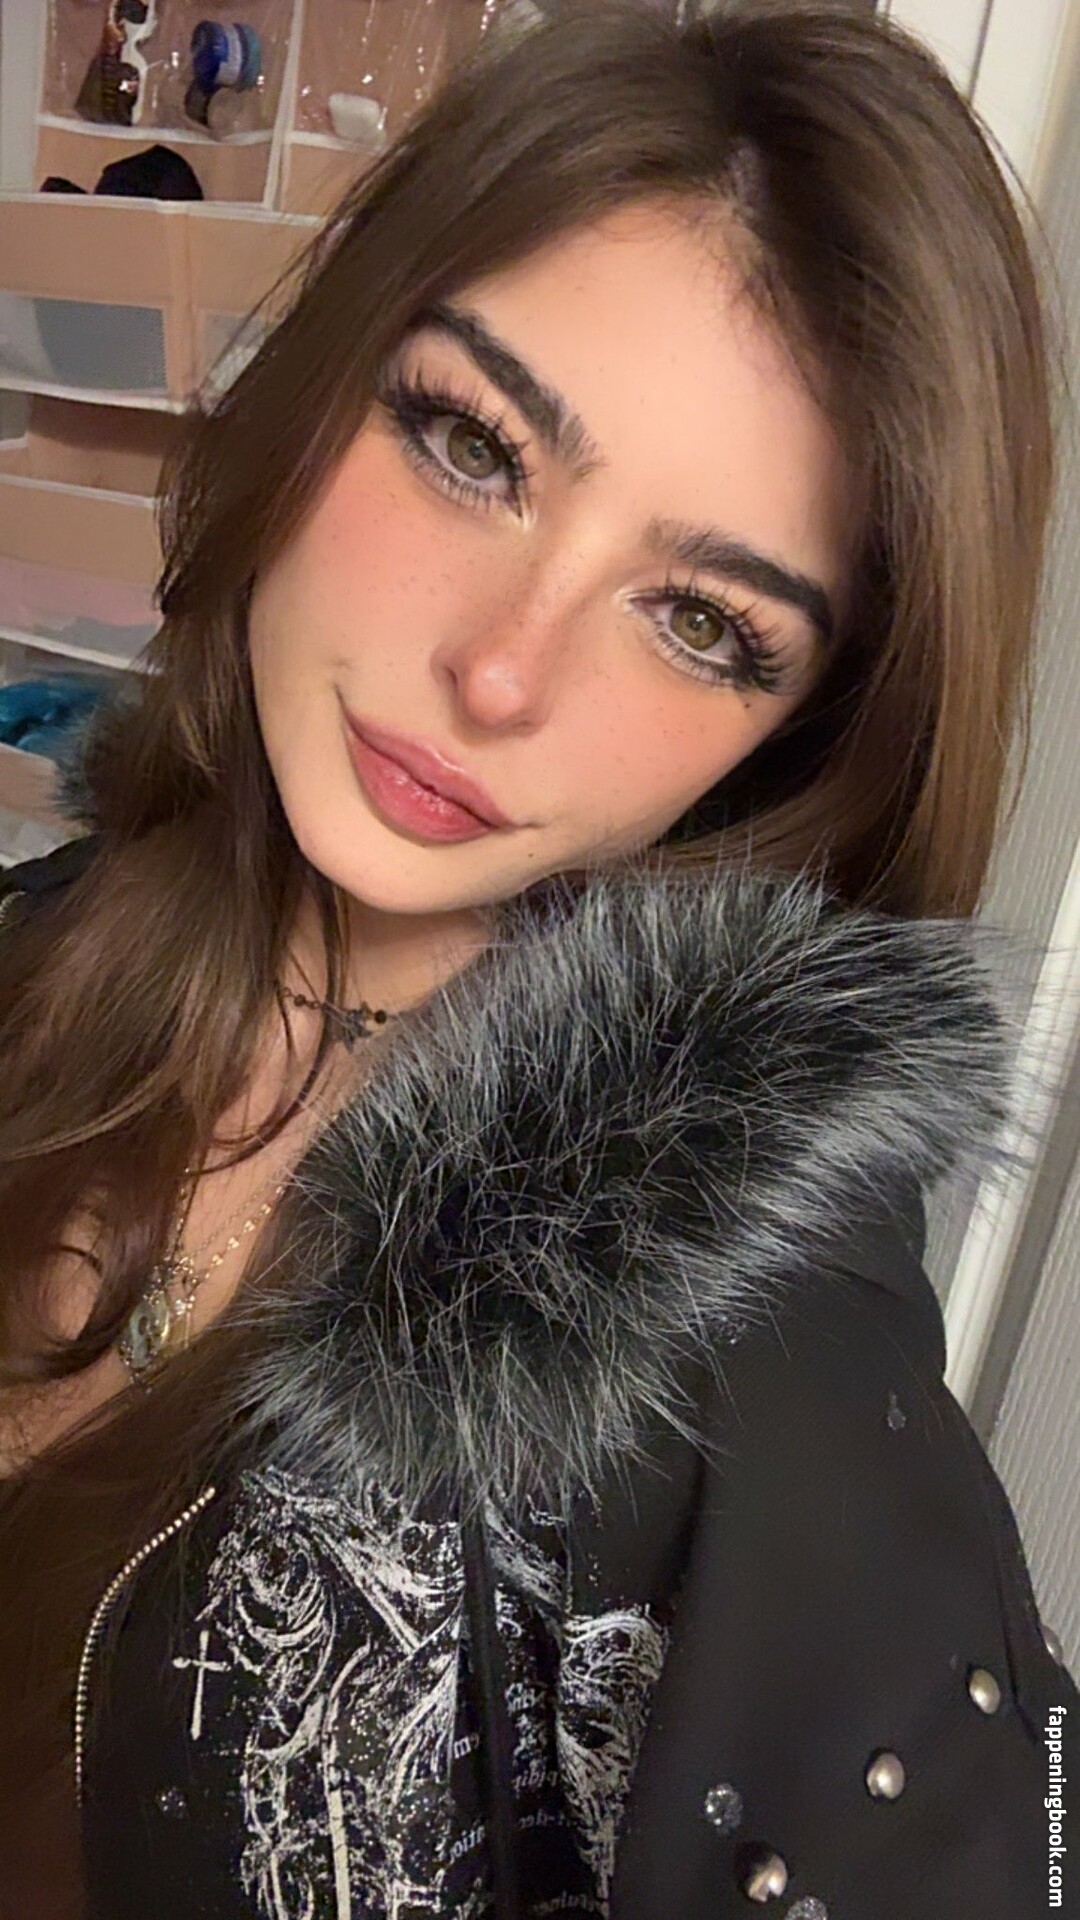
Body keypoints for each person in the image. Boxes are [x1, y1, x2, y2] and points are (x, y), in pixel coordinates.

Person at [0, 2, 1076, 1915]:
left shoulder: (738, 1358)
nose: (500, 672)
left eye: (701, 620)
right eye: (471, 445)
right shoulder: (60, 933)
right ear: (328, 377)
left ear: (803, 735)